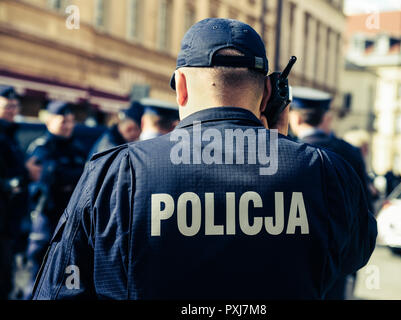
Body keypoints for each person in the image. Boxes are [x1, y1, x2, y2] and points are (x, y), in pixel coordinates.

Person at [32, 18, 377, 300]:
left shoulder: (116, 172)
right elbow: (354, 254)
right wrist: (279, 147)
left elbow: (60, 288)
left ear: (181, 86)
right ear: (269, 92)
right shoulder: (325, 171)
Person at [288, 87, 374, 299]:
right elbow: (364, 215)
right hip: (339, 265)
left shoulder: (286, 152)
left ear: (296, 119)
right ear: (326, 118)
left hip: (296, 269)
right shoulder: (349, 153)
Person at [24, 101, 87, 298]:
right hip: (47, 218)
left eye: (71, 121)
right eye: (63, 121)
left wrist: (66, 177)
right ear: (50, 121)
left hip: (71, 219)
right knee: (39, 271)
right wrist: (68, 177)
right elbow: (47, 178)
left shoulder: (77, 148)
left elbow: (85, 178)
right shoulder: (41, 148)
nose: (68, 126)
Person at [0, 85, 41, 299]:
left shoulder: (9, 134)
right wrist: (24, 176)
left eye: (15, 106)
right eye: (7, 106)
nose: (12, 110)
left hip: (10, 222)